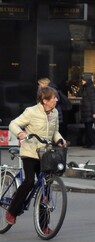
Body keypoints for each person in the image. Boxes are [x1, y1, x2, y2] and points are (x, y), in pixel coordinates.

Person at [5, 87, 66, 227]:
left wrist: (60, 140)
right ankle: (12, 212)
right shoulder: (31, 112)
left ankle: (43, 226)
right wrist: (20, 133)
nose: (56, 100)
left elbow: (54, 131)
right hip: (30, 152)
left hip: (45, 154)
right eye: (53, 98)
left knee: (46, 187)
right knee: (29, 182)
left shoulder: (55, 113)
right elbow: (13, 124)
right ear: (45, 101)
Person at [78, 72, 95, 149]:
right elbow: (79, 94)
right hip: (86, 111)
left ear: (86, 80)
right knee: (87, 129)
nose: (82, 81)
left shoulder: (90, 88)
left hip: (89, 111)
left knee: (89, 129)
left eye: (83, 80)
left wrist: (94, 112)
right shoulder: (85, 87)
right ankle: (89, 143)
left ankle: (93, 143)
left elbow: (93, 101)